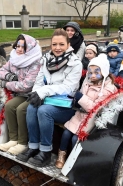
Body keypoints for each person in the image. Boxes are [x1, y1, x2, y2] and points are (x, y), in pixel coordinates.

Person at [16, 29, 82, 167]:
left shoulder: (75, 63)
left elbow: (68, 87)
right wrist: (36, 93)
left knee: (44, 111)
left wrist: (44, 91)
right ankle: (33, 146)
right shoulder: (46, 60)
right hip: (48, 99)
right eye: (54, 44)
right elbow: (39, 81)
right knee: (32, 107)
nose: (57, 48)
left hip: (67, 105)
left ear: (68, 44)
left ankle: (45, 151)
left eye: (61, 44)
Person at [55, 53, 117, 169]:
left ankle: (74, 160)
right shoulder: (87, 81)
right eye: (90, 72)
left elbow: (95, 107)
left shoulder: (109, 87)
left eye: (96, 72)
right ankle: (61, 155)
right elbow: (81, 94)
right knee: (66, 132)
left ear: (103, 72)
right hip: (80, 114)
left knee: (75, 138)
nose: (92, 75)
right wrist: (75, 98)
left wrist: (80, 98)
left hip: (93, 119)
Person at [0, 34, 42, 155]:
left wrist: (6, 84)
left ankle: (22, 142)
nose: (19, 49)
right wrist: (9, 76)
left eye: (23, 46)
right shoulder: (14, 59)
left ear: (30, 48)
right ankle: (13, 139)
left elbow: (26, 85)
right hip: (21, 94)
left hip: (34, 95)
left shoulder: (35, 62)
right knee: (10, 106)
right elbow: (0, 71)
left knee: (21, 109)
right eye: (18, 46)